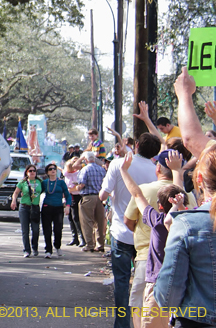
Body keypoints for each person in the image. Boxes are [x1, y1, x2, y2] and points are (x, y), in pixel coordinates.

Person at [154, 69, 216, 327]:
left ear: (199, 180)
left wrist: (184, 94)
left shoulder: (189, 225)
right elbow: (193, 141)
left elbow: (166, 298)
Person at [124, 147, 195, 328]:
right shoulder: (188, 221)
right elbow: (179, 195)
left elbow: (136, 194)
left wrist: (123, 170)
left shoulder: (156, 220)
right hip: (183, 283)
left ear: (160, 206)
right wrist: (178, 171)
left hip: (155, 281)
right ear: (182, 201)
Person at [99, 133, 161, 328]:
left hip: (121, 232)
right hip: (145, 236)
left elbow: (103, 195)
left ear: (136, 147)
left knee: (122, 281)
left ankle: (123, 324)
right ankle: (143, 322)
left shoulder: (119, 164)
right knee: (144, 283)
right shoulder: (156, 170)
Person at [76, 151, 107, 252]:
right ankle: (100, 244)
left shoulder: (85, 169)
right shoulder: (101, 170)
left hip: (88, 197)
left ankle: (90, 244)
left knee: (87, 221)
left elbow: (82, 184)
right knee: (99, 221)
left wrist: (76, 187)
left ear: (85, 160)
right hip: (100, 197)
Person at [10, 164, 42, 257]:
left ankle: (35, 247)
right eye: (30, 171)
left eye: (34, 171)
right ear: (27, 172)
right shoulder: (22, 182)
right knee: (25, 230)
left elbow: (45, 190)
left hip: (35, 207)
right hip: (24, 207)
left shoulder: (39, 182)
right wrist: (14, 201)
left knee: (35, 229)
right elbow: (16, 193)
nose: (32, 172)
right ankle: (27, 250)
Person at [40, 163, 71, 258]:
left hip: (58, 207)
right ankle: (48, 250)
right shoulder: (44, 182)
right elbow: (37, 192)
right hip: (47, 207)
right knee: (47, 229)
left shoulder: (61, 182)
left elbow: (68, 195)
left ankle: (57, 246)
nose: (53, 170)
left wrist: (67, 206)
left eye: (54, 169)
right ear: (47, 172)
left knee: (58, 229)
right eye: (50, 169)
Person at [63, 159, 83, 246]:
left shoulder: (78, 174)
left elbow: (78, 186)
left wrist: (70, 189)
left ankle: (82, 237)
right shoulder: (67, 175)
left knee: (76, 217)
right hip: (69, 197)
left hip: (76, 196)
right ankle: (75, 238)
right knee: (70, 217)